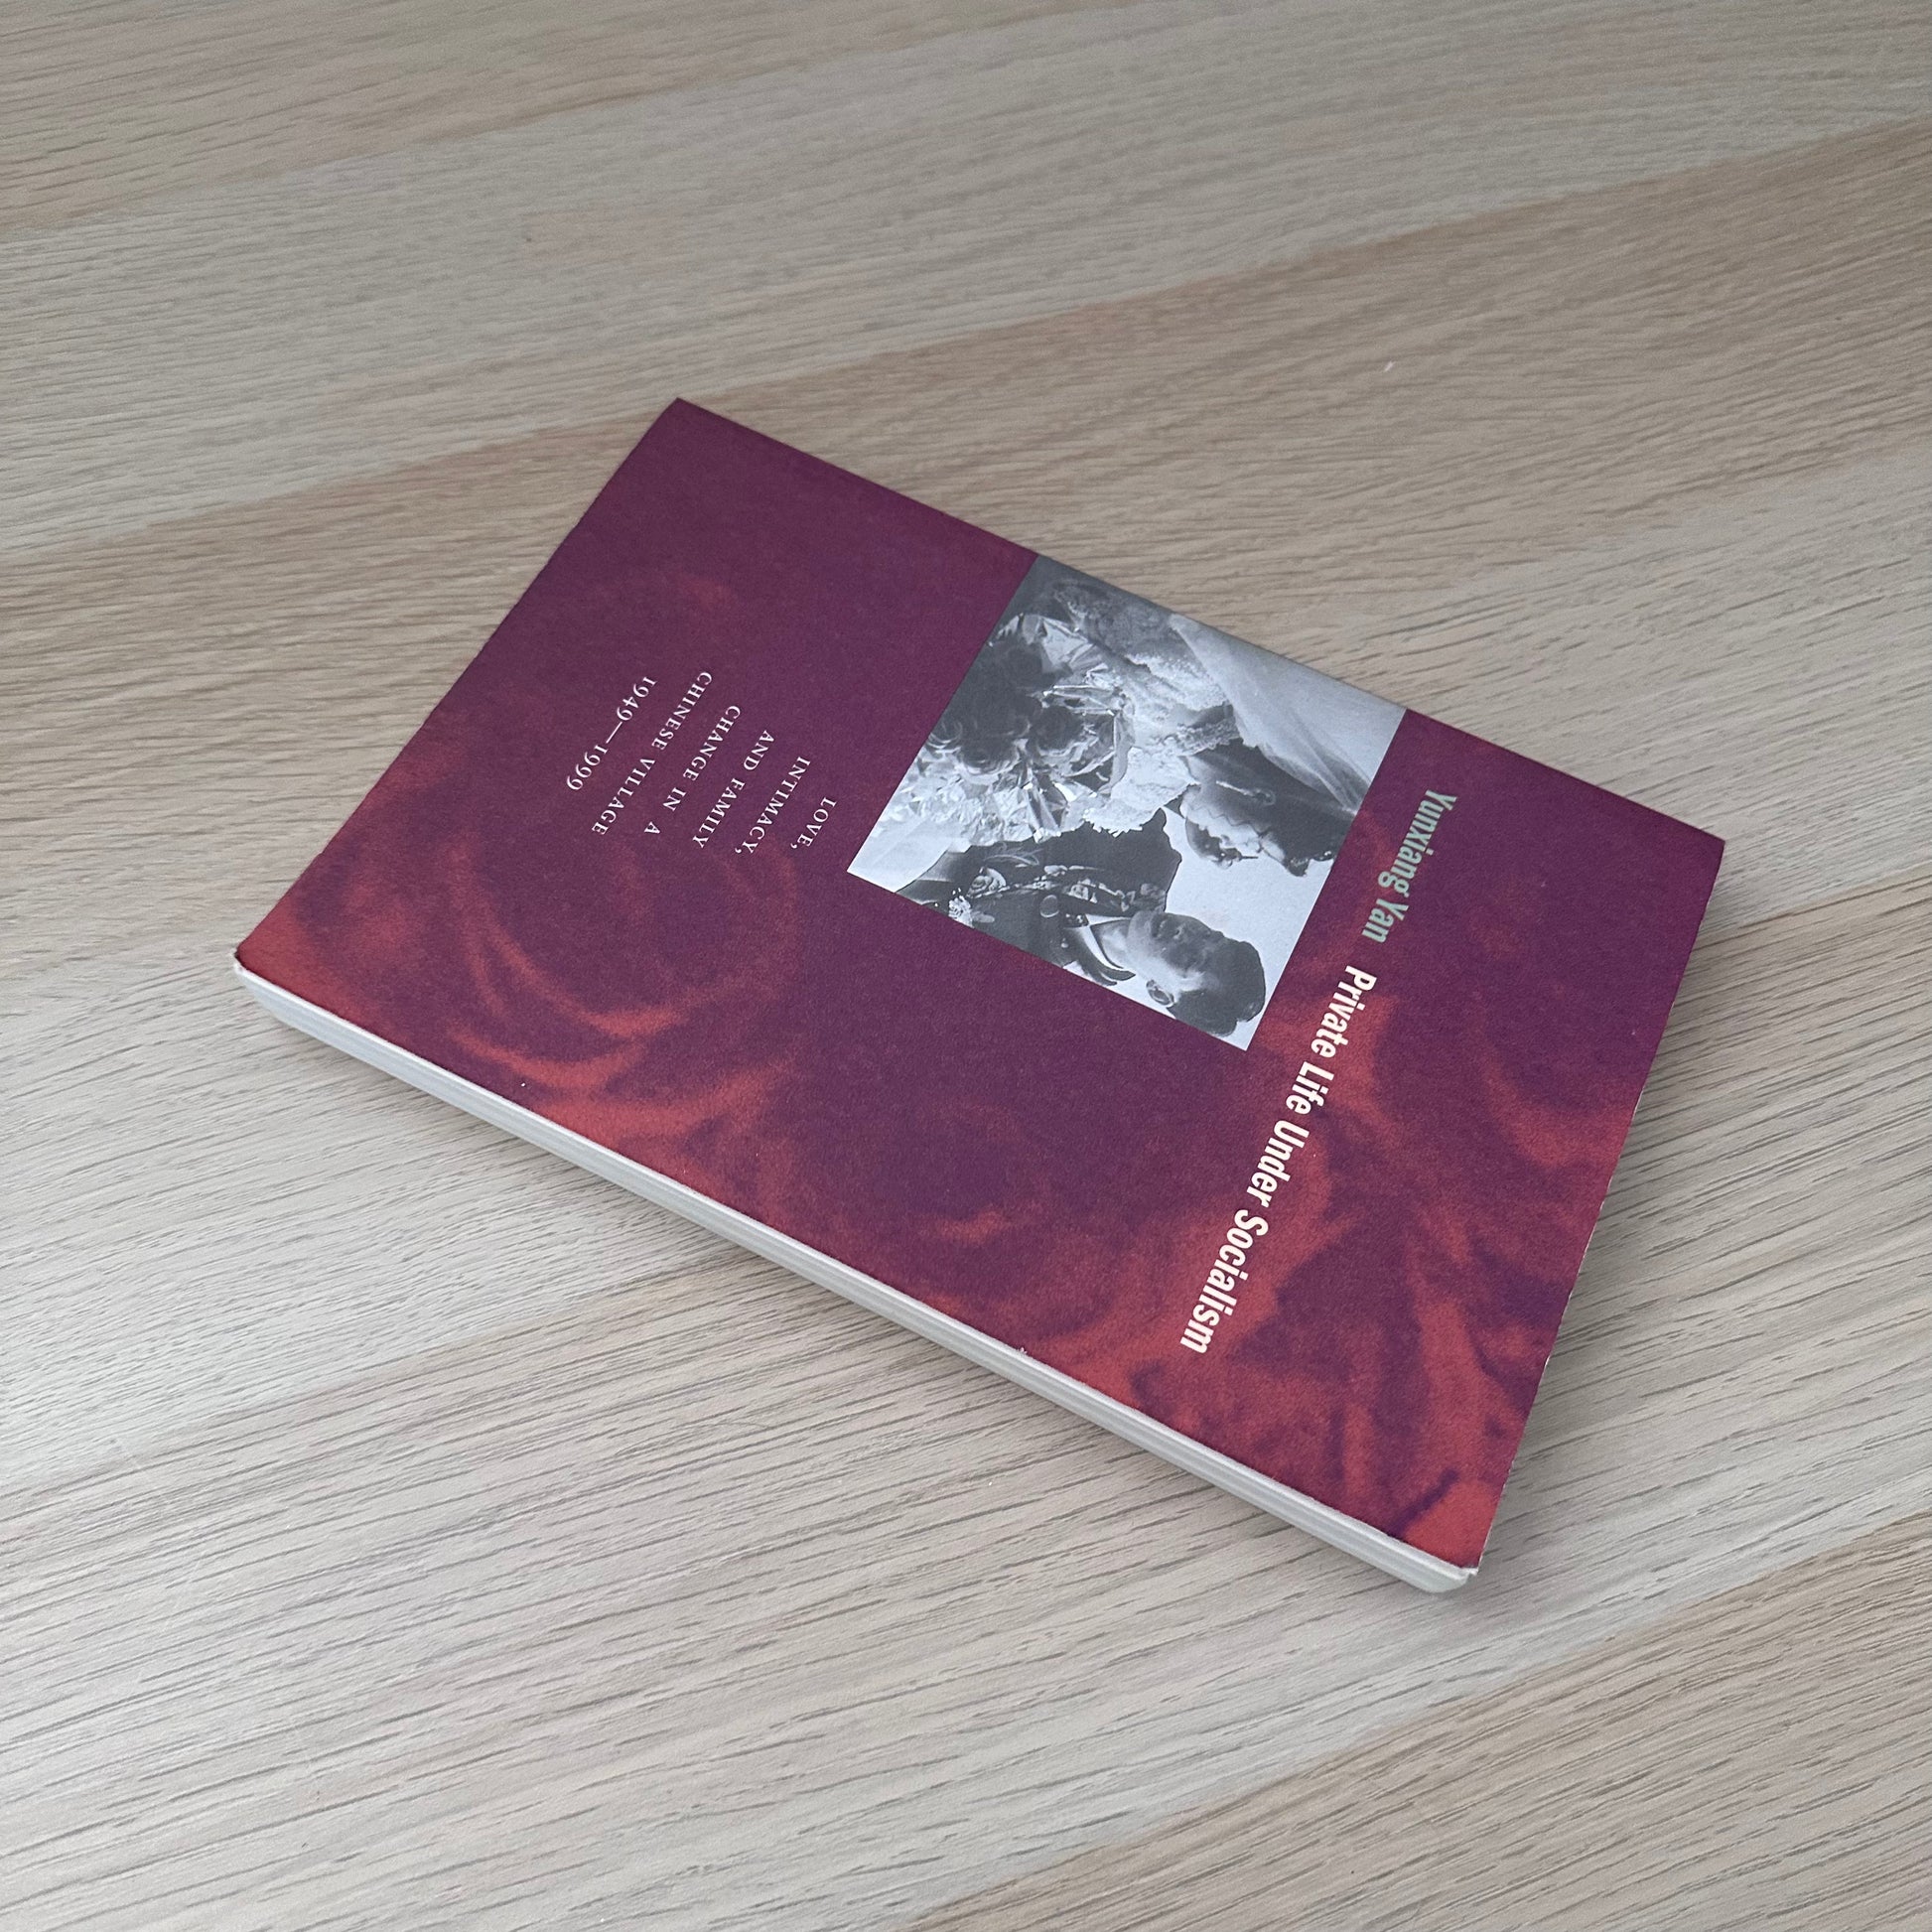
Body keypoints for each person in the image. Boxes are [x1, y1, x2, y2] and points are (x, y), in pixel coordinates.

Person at [903, 817, 1267, 1039]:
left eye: (1190, 960)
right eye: (1208, 935)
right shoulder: (1150, 858)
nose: (1185, 934)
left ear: (1159, 993)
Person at [1174, 740, 1358, 875]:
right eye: (1255, 842)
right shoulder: (1208, 719)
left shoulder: (1183, 772)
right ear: (1262, 797)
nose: (1225, 844)